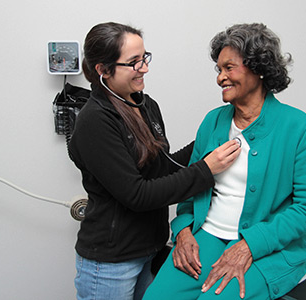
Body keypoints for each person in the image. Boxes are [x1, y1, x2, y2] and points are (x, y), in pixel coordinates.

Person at [143, 23, 306, 300]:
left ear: (259, 67)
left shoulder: (295, 125)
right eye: (219, 69)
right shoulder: (212, 121)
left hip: (264, 247)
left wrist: (249, 246)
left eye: (229, 68)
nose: (220, 78)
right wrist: (182, 231)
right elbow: (191, 187)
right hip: (206, 236)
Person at [68, 22, 241, 300]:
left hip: (150, 250)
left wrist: (211, 138)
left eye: (145, 58)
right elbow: (138, 194)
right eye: (133, 62)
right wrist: (206, 170)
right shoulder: (94, 122)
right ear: (103, 70)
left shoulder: (145, 106)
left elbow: (162, 168)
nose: (144, 68)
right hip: (112, 262)